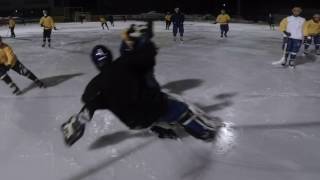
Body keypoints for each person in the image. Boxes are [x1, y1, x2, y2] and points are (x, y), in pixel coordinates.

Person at [61, 23, 219, 146]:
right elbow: (148, 57)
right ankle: (205, 133)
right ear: (110, 55)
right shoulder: (125, 62)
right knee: (180, 109)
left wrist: (77, 122)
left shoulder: (96, 85)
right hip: (153, 109)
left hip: (135, 124)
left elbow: (88, 101)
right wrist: (144, 38)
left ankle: (159, 128)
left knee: (140, 103)